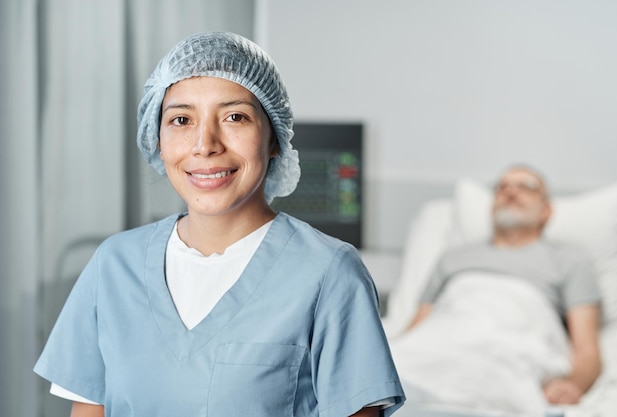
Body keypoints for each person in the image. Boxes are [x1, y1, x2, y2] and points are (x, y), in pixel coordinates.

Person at [34, 32, 405, 417]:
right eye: (181, 119)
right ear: (157, 138)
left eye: (235, 117)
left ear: (274, 137)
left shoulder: (329, 274)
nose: (205, 143)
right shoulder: (114, 265)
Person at [390, 165, 602, 416]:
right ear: (491, 207)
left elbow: (587, 348)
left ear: (546, 211)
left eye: (526, 187)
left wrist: (572, 385)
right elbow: (418, 330)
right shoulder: (453, 258)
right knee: (390, 375)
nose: (511, 192)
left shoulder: (569, 259)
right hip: (441, 341)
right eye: (502, 187)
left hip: (508, 348)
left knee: (490, 378)